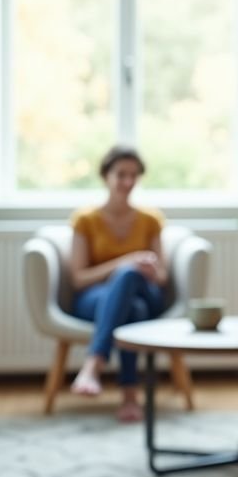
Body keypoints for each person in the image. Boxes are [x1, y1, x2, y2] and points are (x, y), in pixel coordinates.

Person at [68, 145, 167, 422]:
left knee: (130, 277)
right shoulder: (85, 220)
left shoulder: (151, 220)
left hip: (147, 292)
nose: (127, 182)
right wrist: (125, 262)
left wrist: (143, 266)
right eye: (121, 174)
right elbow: (78, 279)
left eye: (133, 175)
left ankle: (93, 364)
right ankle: (130, 397)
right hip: (94, 298)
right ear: (105, 176)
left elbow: (162, 277)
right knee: (132, 309)